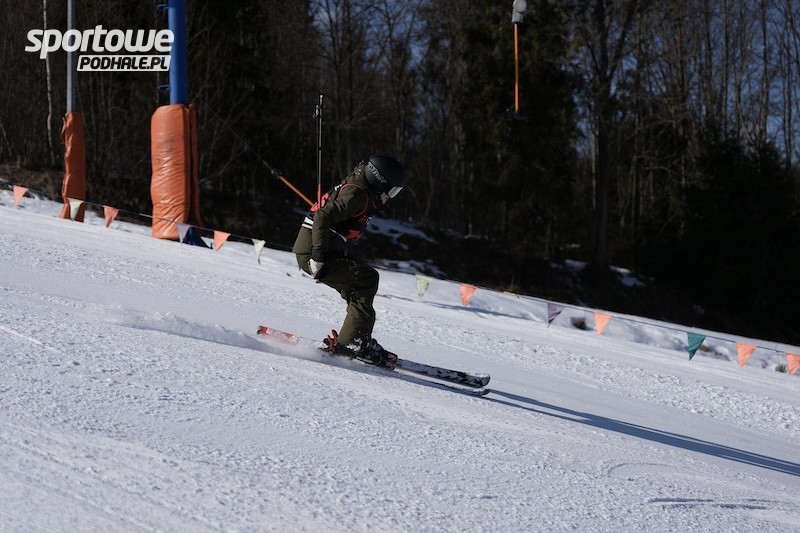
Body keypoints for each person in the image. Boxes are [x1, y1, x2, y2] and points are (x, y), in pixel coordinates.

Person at [292, 154, 406, 367]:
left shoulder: (361, 191)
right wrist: (318, 254)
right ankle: (353, 342)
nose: (390, 198)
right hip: (314, 253)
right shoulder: (356, 195)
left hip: (326, 250)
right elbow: (322, 216)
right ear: (378, 181)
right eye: (391, 191)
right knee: (366, 280)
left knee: (360, 287)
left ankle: (358, 339)